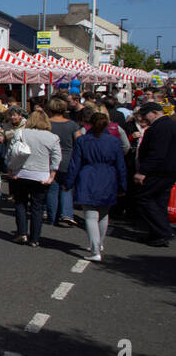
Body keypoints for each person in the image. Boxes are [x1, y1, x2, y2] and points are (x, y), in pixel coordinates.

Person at [63, 112, 127, 261]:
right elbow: (121, 166)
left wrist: (68, 183)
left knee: (91, 215)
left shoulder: (83, 141)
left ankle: (95, 249)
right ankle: (99, 244)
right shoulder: (114, 141)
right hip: (108, 176)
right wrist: (123, 186)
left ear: (90, 123)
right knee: (104, 214)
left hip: (88, 176)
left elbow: (75, 164)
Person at [7, 109, 62, 247]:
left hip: (21, 172)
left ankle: (22, 233)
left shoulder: (21, 133)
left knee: (21, 203)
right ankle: (35, 238)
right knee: (37, 207)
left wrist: (10, 170)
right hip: (41, 174)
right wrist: (52, 176)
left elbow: (11, 152)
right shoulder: (52, 137)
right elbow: (56, 158)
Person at [132, 102, 176, 247]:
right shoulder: (167, 125)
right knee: (159, 202)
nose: (144, 118)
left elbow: (157, 153)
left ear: (155, 113)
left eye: (145, 115)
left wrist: (143, 172)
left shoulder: (161, 127)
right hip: (166, 170)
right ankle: (157, 234)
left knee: (145, 199)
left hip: (158, 171)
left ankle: (162, 231)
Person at [46, 97, 79, 229]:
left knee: (52, 188)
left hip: (50, 159)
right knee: (66, 187)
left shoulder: (46, 124)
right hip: (67, 159)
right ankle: (67, 214)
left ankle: (52, 216)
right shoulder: (72, 125)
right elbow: (79, 141)